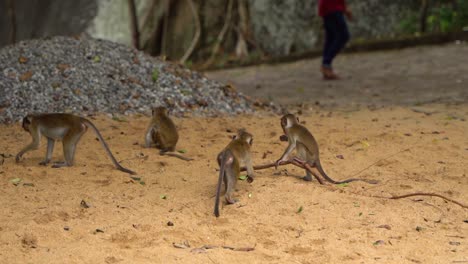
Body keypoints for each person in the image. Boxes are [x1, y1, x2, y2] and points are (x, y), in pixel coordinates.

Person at [318, 0, 352, 80]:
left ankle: (326, 67)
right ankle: (326, 64)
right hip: (333, 6)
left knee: (331, 38)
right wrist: (345, 8)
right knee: (343, 36)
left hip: (326, 7)